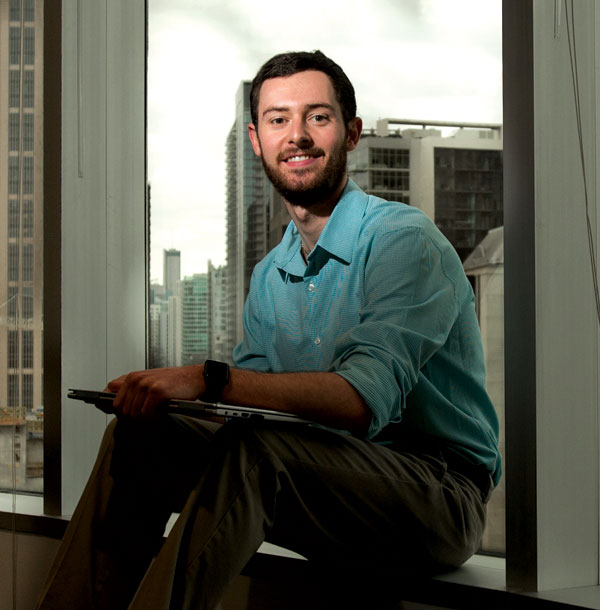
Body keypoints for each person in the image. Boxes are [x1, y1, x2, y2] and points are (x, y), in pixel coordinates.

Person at [36, 50, 501, 610]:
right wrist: (168, 401)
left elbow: (361, 398)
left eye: (318, 117)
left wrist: (204, 378)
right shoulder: (270, 272)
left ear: (351, 133)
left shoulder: (403, 241)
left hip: (440, 495)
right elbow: (249, 406)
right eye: (279, 120)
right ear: (257, 140)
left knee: (259, 453)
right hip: (326, 475)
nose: (298, 136)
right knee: (139, 436)